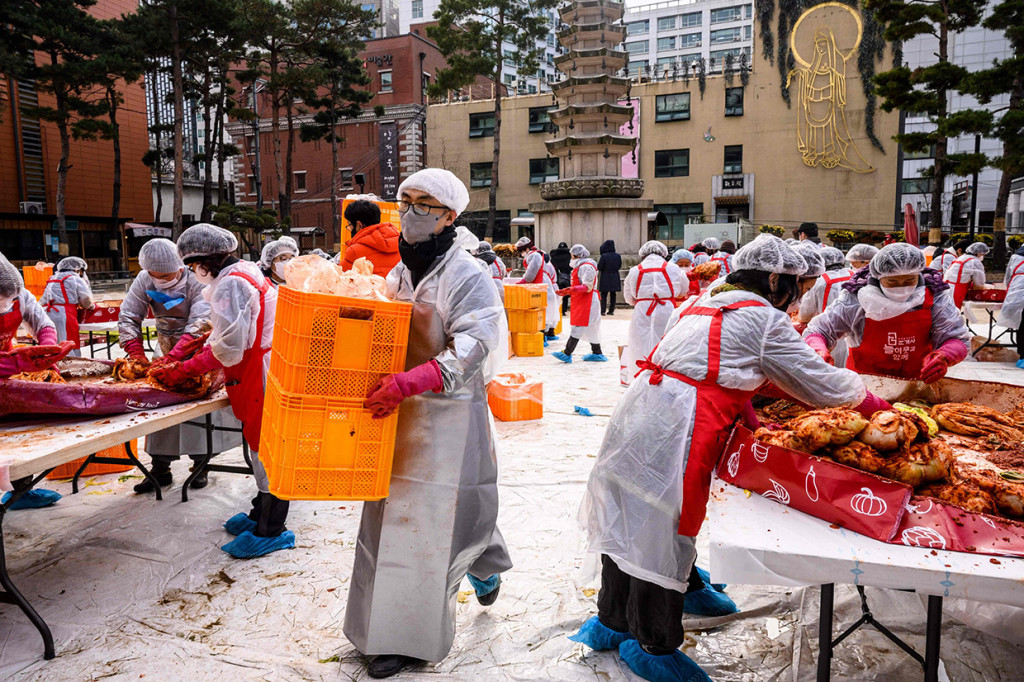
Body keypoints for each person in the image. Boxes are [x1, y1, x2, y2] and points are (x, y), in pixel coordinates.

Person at [571, 234, 886, 682]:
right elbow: (822, 385)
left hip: (640, 413)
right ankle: (651, 643)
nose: (797, 296)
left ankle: (617, 617)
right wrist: (880, 407)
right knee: (664, 526)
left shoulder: (701, 302)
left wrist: (754, 420)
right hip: (679, 424)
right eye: (796, 285)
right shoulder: (762, 319)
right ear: (775, 278)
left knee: (630, 515)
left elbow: (726, 369)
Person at [345, 169, 511, 679]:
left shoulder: (466, 274)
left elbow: (475, 344)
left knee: (428, 522)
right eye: (406, 201)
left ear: (450, 216)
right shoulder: (400, 271)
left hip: (448, 417)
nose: (411, 212)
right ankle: (482, 559)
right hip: (398, 412)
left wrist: (415, 379)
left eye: (425, 204)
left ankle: (406, 639)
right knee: (393, 515)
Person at [148, 224, 294, 560]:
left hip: (257, 370)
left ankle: (272, 530)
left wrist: (183, 369)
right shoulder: (242, 270)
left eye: (191, 266)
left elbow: (228, 346)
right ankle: (260, 511)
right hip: (260, 364)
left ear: (203, 260)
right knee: (261, 445)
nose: (192, 272)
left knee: (265, 449)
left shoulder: (231, 283)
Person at [119, 238, 242, 494]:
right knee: (159, 410)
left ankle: (201, 465)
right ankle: (160, 468)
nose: (161, 279)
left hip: (198, 351)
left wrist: (178, 357)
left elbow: (200, 320)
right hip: (163, 349)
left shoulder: (196, 278)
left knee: (199, 410)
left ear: (180, 266)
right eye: (156, 275)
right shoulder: (143, 280)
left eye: (167, 274)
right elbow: (129, 314)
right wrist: (135, 352)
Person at [806, 243, 971, 382]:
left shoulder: (935, 296)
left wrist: (944, 355)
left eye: (909, 280)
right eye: (892, 281)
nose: (901, 287)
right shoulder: (857, 297)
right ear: (878, 277)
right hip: (865, 386)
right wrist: (818, 349)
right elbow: (819, 330)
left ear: (919, 274)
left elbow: (957, 338)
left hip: (917, 385)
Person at [621, 241, 687, 384]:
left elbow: (629, 298)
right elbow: (683, 290)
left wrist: (643, 299)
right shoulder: (674, 268)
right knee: (667, 343)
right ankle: (665, 378)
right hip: (667, 309)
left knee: (639, 344)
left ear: (643, 254)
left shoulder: (634, 271)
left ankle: (639, 379)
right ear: (664, 253)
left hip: (642, 311)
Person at [554, 245, 605, 363]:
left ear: (576, 256)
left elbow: (587, 286)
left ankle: (567, 353)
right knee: (591, 328)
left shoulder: (586, 267)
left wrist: (571, 290)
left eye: (571, 256)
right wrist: (569, 290)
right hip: (582, 299)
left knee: (579, 326)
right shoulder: (580, 266)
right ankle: (597, 353)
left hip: (588, 301)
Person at [40, 256, 95, 357]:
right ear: (77, 268)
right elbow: (86, 299)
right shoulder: (75, 279)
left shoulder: (52, 278)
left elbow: (43, 299)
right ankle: (71, 366)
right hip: (65, 314)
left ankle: (55, 365)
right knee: (69, 342)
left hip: (48, 313)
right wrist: (91, 307)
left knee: (54, 342)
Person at [340, 200, 401, 277]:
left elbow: (339, 280)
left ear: (359, 225)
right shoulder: (400, 244)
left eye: (350, 225)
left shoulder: (354, 252)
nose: (349, 229)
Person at [515, 237, 559, 339]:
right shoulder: (536, 254)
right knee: (545, 311)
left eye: (522, 250)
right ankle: (546, 335)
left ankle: (542, 337)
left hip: (541, 285)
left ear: (527, 248)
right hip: (544, 284)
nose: (521, 253)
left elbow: (531, 272)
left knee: (542, 311)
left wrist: (524, 280)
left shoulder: (534, 256)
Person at [943, 241, 991, 307]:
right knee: (953, 313)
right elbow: (979, 285)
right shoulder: (975, 261)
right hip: (956, 290)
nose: (983, 257)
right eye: (984, 255)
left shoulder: (961, 258)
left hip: (946, 288)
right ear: (979, 253)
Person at [996, 262, 1024, 369]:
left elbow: (1007, 280)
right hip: (1018, 296)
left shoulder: (1016, 259)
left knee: (1021, 327)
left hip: (1015, 296)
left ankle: (1022, 356)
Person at [597, 240, 622, 316]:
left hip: (605, 276)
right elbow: (619, 265)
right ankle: (611, 310)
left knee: (604, 294)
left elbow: (599, 267)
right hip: (615, 275)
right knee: (613, 294)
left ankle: (603, 310)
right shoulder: (617, 256)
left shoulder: (604, 256)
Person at [550, 241, 572, 315]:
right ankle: (563, 310)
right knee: (565, 293)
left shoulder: (554, 255)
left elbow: (552, 266)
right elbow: (571, 266)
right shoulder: (569, 255)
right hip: (566, 276)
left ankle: (558, 309)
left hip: (557, 276)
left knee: (557, 293)